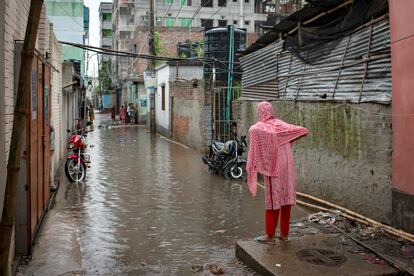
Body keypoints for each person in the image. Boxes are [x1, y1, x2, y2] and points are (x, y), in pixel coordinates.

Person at [247, 101, 308, 243]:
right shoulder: (283, 126)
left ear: (261, 112)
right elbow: (303, 130)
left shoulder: (260, 128)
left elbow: (252, 130)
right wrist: (288, 138)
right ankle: (284, 235)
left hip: (273, 167)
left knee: (273, 200)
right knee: (285, 199)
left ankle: (270, 236)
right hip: (287, 166)